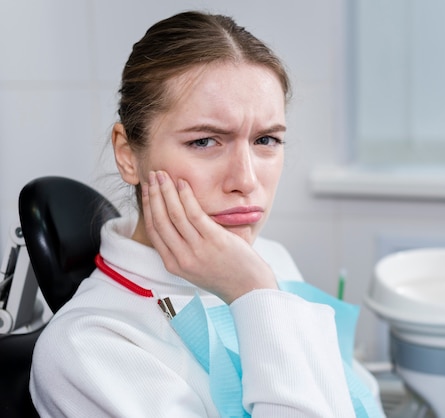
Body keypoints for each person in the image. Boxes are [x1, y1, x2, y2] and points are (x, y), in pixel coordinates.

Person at [29, 10, 382, 418]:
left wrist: (255, 285)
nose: (245, 180)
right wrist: (253, 294)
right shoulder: (88, 349)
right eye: (205, 141)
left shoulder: (269, 259)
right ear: (128, 154)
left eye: (266, 139)